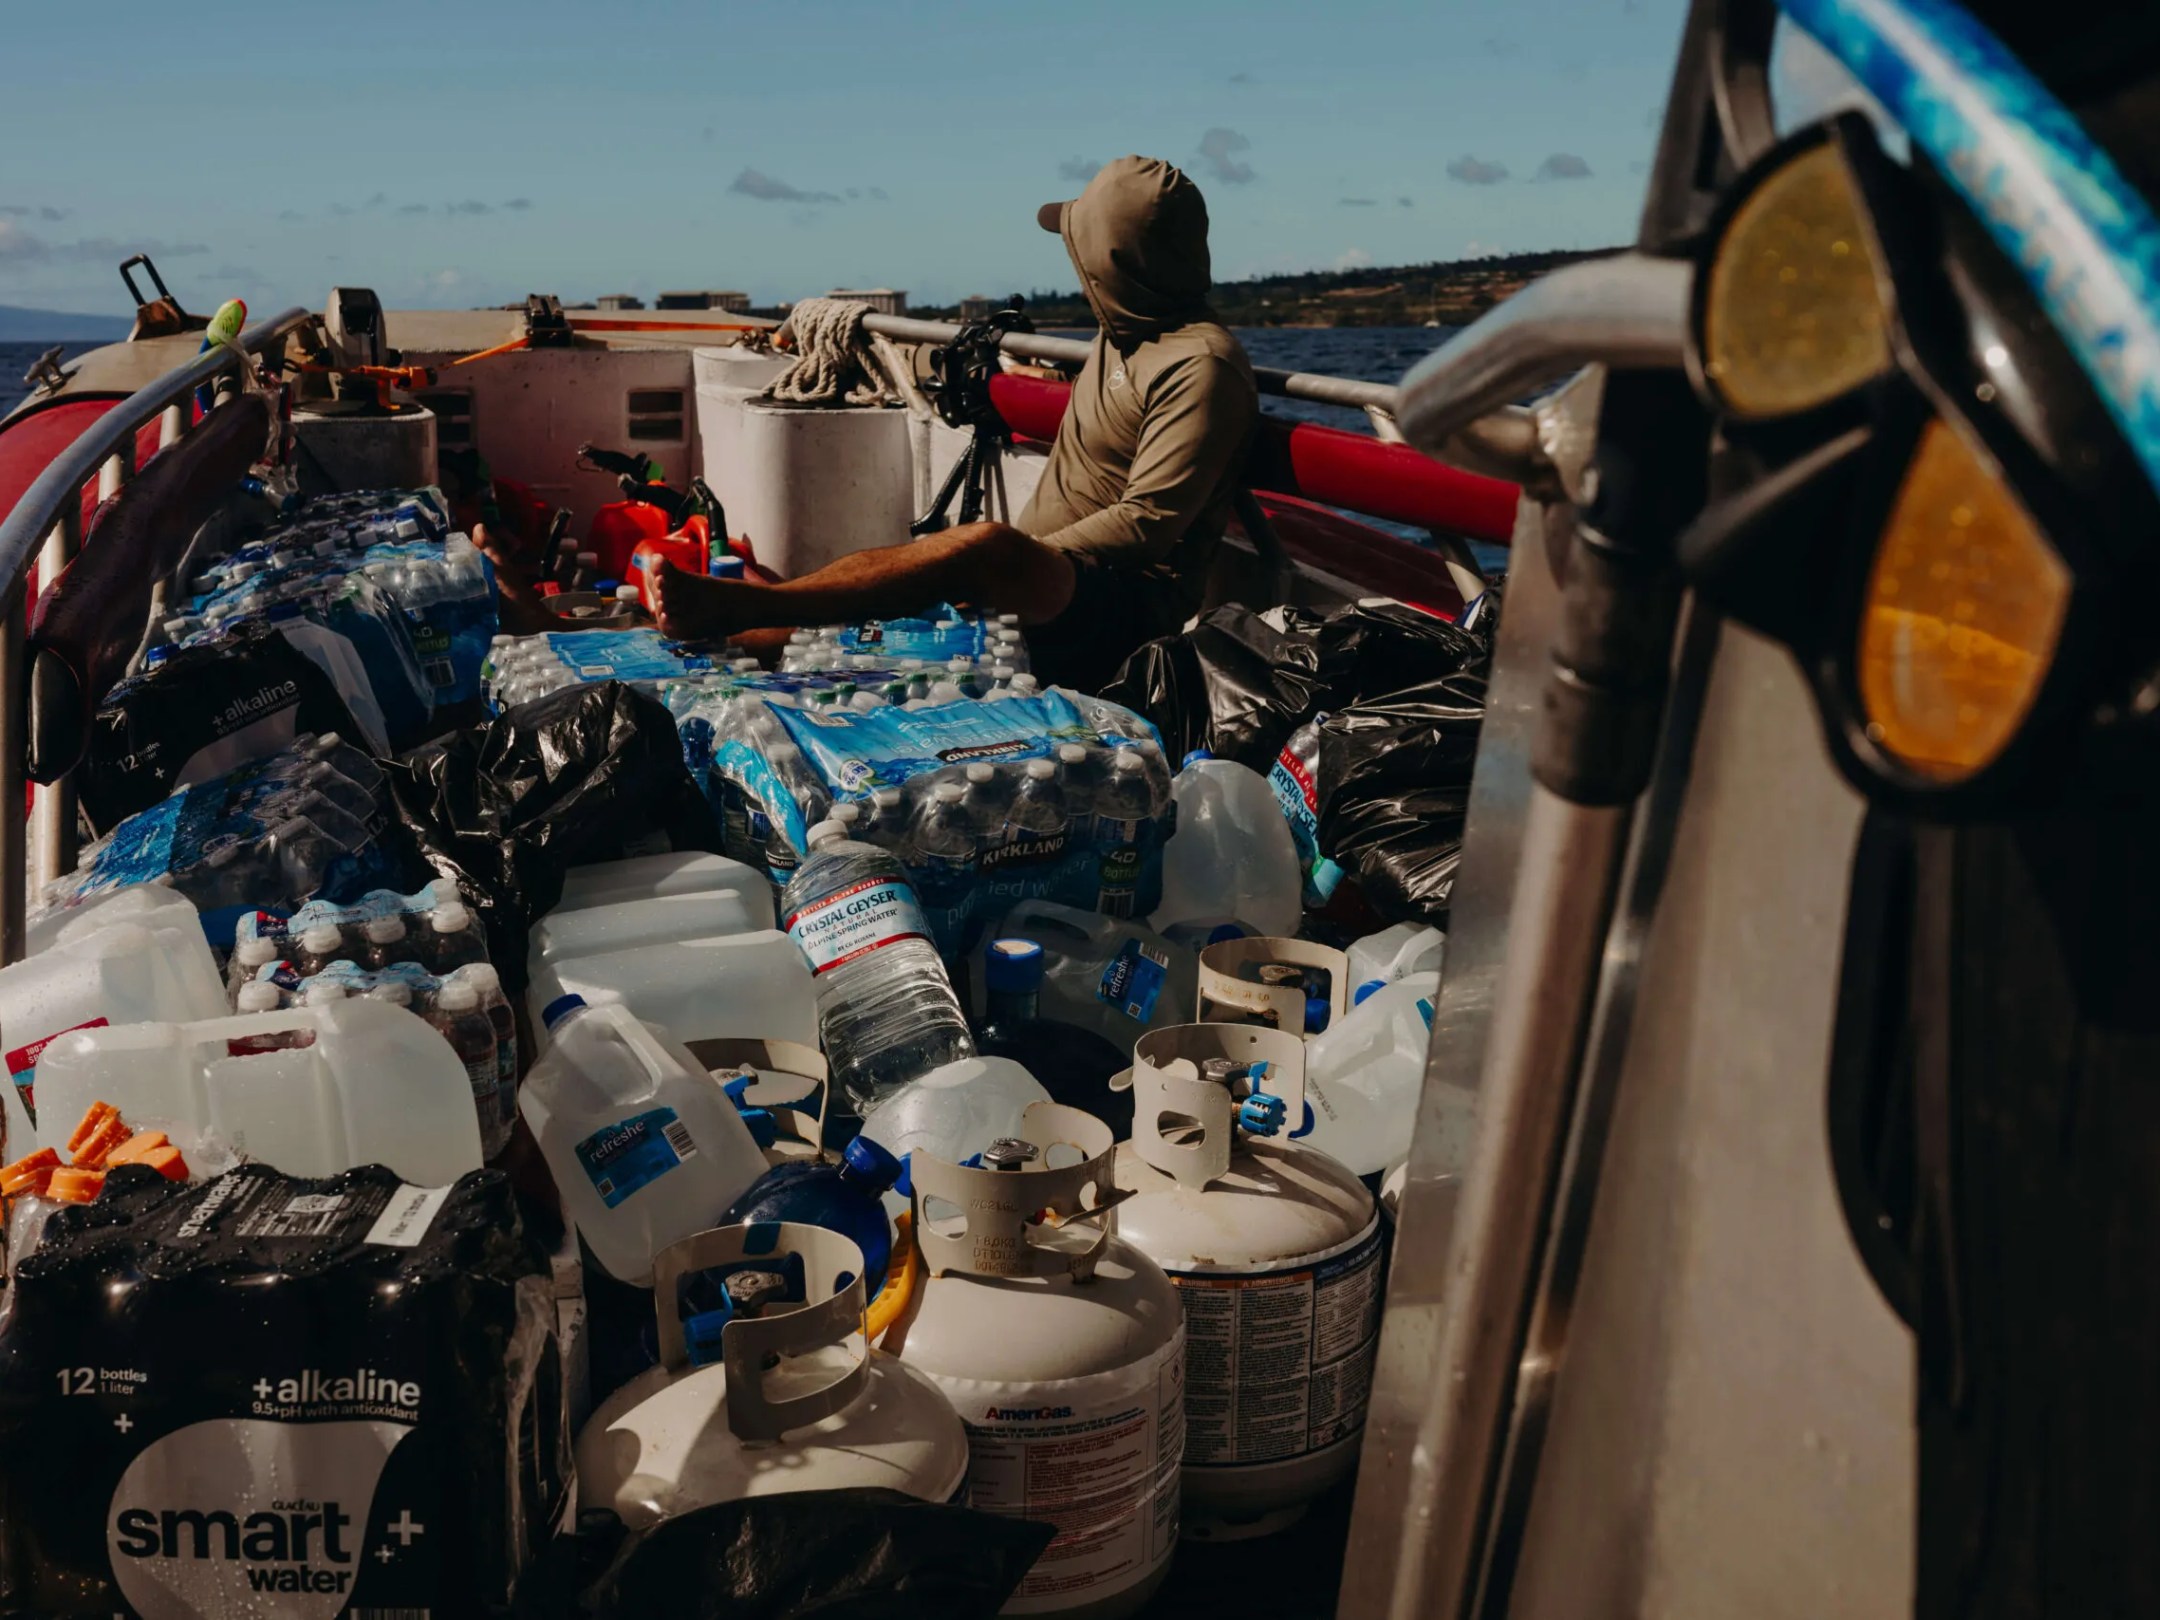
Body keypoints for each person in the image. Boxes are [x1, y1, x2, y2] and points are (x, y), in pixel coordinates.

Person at [647, 154, 1259, 691]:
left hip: (1118, 609)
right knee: (799, 644)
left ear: (1110, 262)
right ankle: (713, 638)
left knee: (981, 547)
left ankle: (744, 604)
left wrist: (1016, 558)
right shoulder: (1123, 331)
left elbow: (1146, 525)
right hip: (1046, 580)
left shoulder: (1200, 364)